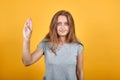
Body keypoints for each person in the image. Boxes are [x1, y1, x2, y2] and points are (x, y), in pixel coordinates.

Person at [22, 10, 84, 80]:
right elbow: (27, 62)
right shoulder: (46, 44)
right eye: (59, 24)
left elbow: (79, 71)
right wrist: (26, 39)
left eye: (66, 24)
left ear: (71, 26)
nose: (62, 27)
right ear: (54, 26)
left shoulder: (77, 46)